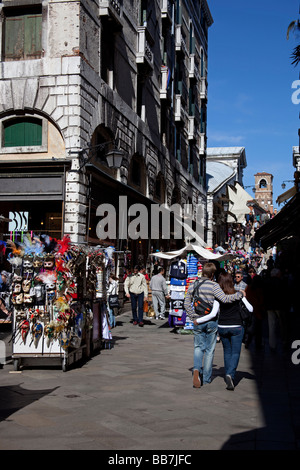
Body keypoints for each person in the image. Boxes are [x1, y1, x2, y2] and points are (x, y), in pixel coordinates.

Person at [184, 262, 245, 389]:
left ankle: (196, 369)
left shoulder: (193, 284)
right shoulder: (214, 286)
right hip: (211, 321)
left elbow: (186, 303)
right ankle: (206, 378)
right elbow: (225, 299)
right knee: (210, 350)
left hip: (198, 320)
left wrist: (193, 316)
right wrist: (239, 294)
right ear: (212, 274)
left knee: (198, 347)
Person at [217, 271, 253, 390]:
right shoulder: (237, 294)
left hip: (222, 326)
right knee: (235, 352)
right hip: (236, 326)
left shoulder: (219, 296)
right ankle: (230, 374)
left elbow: (215, 312)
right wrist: (244, 296)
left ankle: (229, 374)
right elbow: (250, 309)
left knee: (227, 351)